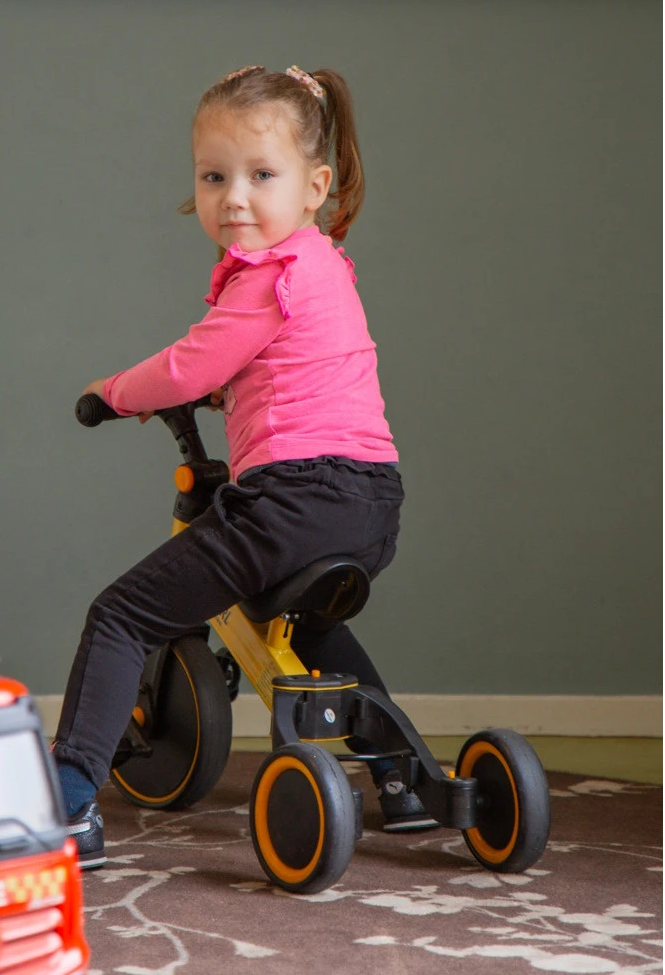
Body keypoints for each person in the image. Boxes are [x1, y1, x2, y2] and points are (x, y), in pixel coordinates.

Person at [52, 63, 435, 871]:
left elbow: (190, 365)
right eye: (213, 176)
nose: (234, 197)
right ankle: (405, 777)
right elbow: (287, 367)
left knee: (122, 615)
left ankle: (69, 802)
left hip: (294, 500)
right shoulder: (323, 265)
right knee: (312, 627)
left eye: (262, 175)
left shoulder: (269, 275)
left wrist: (115, 392)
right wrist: (228, 390)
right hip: (372, 503)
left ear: (315, 186)